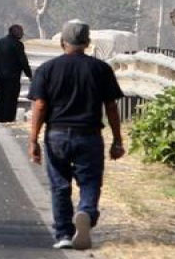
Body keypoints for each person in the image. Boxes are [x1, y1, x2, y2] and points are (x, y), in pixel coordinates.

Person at [28, 19, 125, 251]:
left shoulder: (47, 69)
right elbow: (111, 106)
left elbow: (40, 105)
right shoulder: (101, 69)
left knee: (60, 185)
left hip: (57, 135)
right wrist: (117, 140)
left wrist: (33, 139)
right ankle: (86, 212)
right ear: (87, 43)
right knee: (90, 181)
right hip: (89, 135)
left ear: (62, 42)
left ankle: (63, 233)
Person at [0, 23, 31, 123]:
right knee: (11, 99)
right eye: (21, 32)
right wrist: (29, 74)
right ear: (15, 33)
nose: (22, 34)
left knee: (0, 98)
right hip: (12, 77)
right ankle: (8, 119)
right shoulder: (17, 44)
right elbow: (23, 61)